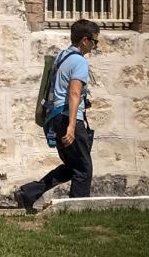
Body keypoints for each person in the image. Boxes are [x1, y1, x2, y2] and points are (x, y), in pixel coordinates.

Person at [14, 19, 100, 213]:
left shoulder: (63, 56)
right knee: (84, 169)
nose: (95, 46)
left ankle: (28, 193)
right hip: (69, 117)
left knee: (72, 167)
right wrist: (71, 126)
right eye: (95, 41)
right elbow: (74, 93)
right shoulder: (79, 61)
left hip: (55, 118)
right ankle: (77, 211)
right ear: (85, 40)